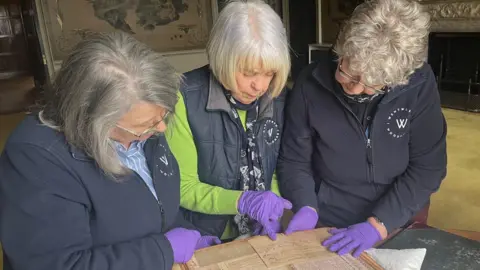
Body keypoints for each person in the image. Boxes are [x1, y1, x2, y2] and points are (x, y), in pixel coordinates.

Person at [0, 32, 219, 270]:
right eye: (144, 125)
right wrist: (163, 250)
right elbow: (57, 265)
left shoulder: (146, 127)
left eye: (162, 116)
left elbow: (157, 203)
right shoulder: (35, 161)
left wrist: (191, 233)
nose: (161, 128)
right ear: (95, 121)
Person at [277, 0, 447, 258]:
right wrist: (306, 206)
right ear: (342, 48)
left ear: (396, 80)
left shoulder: (419, 85)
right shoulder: (309, 84)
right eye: (348, 72)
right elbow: (294, 159)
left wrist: (378, 225)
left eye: (369, 84)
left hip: (399, 216)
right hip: (330, 217)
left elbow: (428, 167)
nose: (353, 88)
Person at [167, 0, 291, 241]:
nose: (260, 85)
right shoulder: (184, 97)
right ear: (223, 58)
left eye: (269, 73)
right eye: (248, 73)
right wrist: (241, 201)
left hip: (262, 234)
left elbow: (278, 167)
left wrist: (273, 206)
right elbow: (183, 187)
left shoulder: (277, 97)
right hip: (205, 236)